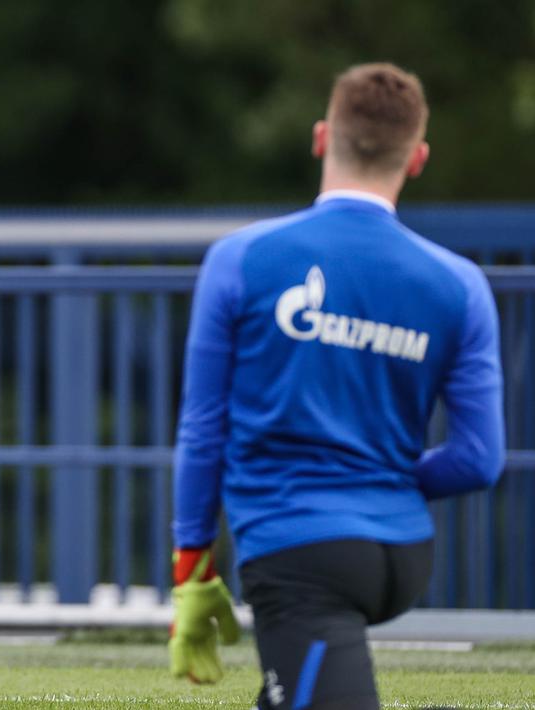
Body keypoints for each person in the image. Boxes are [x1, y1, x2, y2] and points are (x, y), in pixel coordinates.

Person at [168, 62, 504, 710]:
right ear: (417, 158)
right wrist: (387, 479)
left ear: (321, 138)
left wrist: (191, 568)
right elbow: (478, 460)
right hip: (402, 554)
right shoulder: (460, 285)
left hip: (299, 555)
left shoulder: (240, 260)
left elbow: (202, 428)